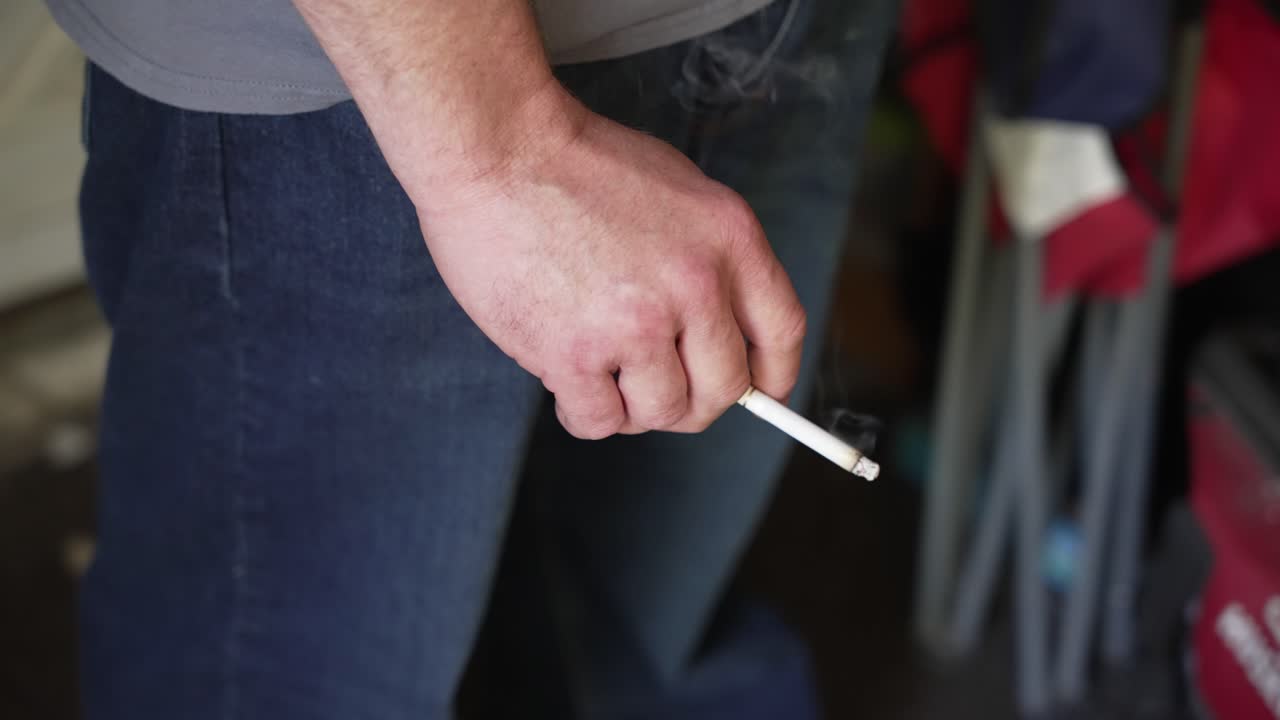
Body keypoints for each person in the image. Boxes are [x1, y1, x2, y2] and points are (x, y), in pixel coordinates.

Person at [47, 0, 894, 716]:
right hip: (376, 78)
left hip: (782, 30)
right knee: (295, 667)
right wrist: (499, 152)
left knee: (642, 624)